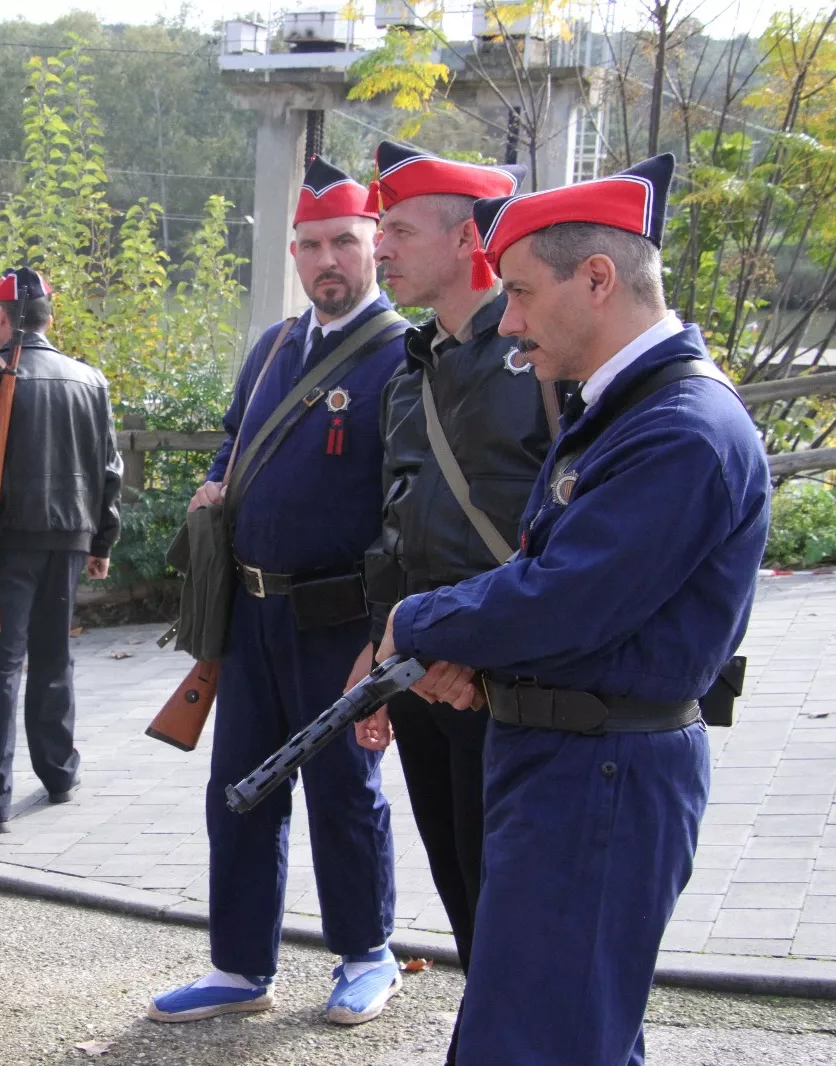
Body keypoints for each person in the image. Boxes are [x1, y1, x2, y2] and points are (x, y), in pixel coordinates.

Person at [377, 154, 769, 1064]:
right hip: (575, 761)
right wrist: (485, 667)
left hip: (602, 774)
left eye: (519, 292)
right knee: (559, 1034)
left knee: (536, 1044)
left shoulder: (680, 427)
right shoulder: (629, 409)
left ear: (597, 278)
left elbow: (563, 599)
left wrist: (419, 621)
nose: (509, 320)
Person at [150, 158, 411, 1026]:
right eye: (310, 245)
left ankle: (368, 954)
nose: (326, 260)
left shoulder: (401, 356)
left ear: (375, 245)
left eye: (344, 241)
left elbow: (407, 507)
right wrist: (217, 483)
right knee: (239, 789)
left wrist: (386, 634)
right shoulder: (272, 350)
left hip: (340, 619)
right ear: (293, 252)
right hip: (252, 614)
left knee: (343, 789)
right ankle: (238, 965)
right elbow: (236, 439)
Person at [349, 143, 541, 1007]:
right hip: (424, 678)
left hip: (508, 686)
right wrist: (380, 651)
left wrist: (474, 650)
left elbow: (559, 530)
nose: (379, 246)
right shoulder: (413, 369)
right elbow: (398, 527)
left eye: (398, 229)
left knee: (521, 917)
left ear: (468, 239)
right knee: (465, 901)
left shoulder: (538, 359)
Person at [0, 267, 123, 840]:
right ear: (49, 316)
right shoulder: (89, 379)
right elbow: (108, 468)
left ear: (2, 319)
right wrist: (102, 540)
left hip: (4, 542)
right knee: (53, 658)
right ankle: (59, 771)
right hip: (69, 537)